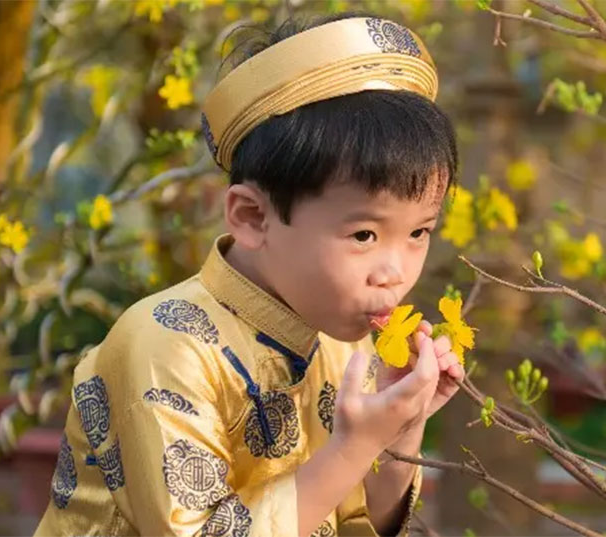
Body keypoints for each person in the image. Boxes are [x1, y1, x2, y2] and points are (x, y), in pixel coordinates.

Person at [34, 12, 463, 537]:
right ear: (252, 216)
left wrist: (401, 428)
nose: (394, 274)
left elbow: (357, 522)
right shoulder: (165, 344)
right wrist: (354, 444)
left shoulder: (342, 341)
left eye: (419, 233)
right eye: (364, 236)